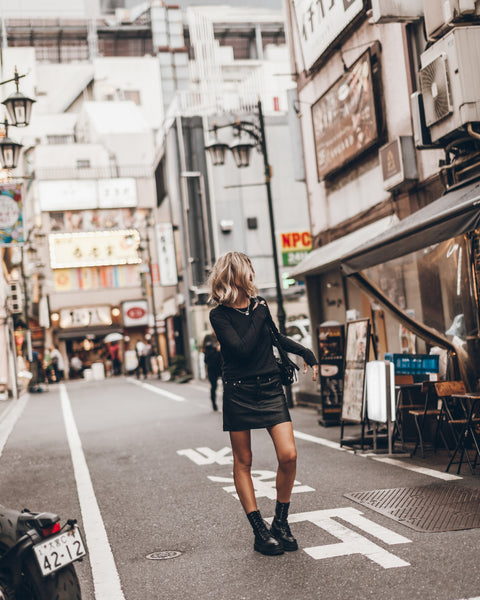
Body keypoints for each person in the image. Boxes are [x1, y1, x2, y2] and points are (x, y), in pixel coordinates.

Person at [208, 251, 319, 556]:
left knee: (289, 454)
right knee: (243, 460)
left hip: (270, 388)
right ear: (238, 276)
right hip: (238, 391)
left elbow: (274, 337)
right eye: (250, 271)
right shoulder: (219, 315)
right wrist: (258, 312)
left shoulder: (260, 307)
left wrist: (304, 351)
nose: (253, 276)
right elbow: (241, 349)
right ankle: (259, 531)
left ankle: (280, 523)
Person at [202, 333, 222, 411]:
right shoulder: (208, 337)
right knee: (214, 386)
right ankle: (213, 403)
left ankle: (227, 403)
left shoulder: (223, 334)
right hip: (211, 366)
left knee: (226, 386)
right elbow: (204, 350)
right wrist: (216, 349)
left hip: (221, 365)